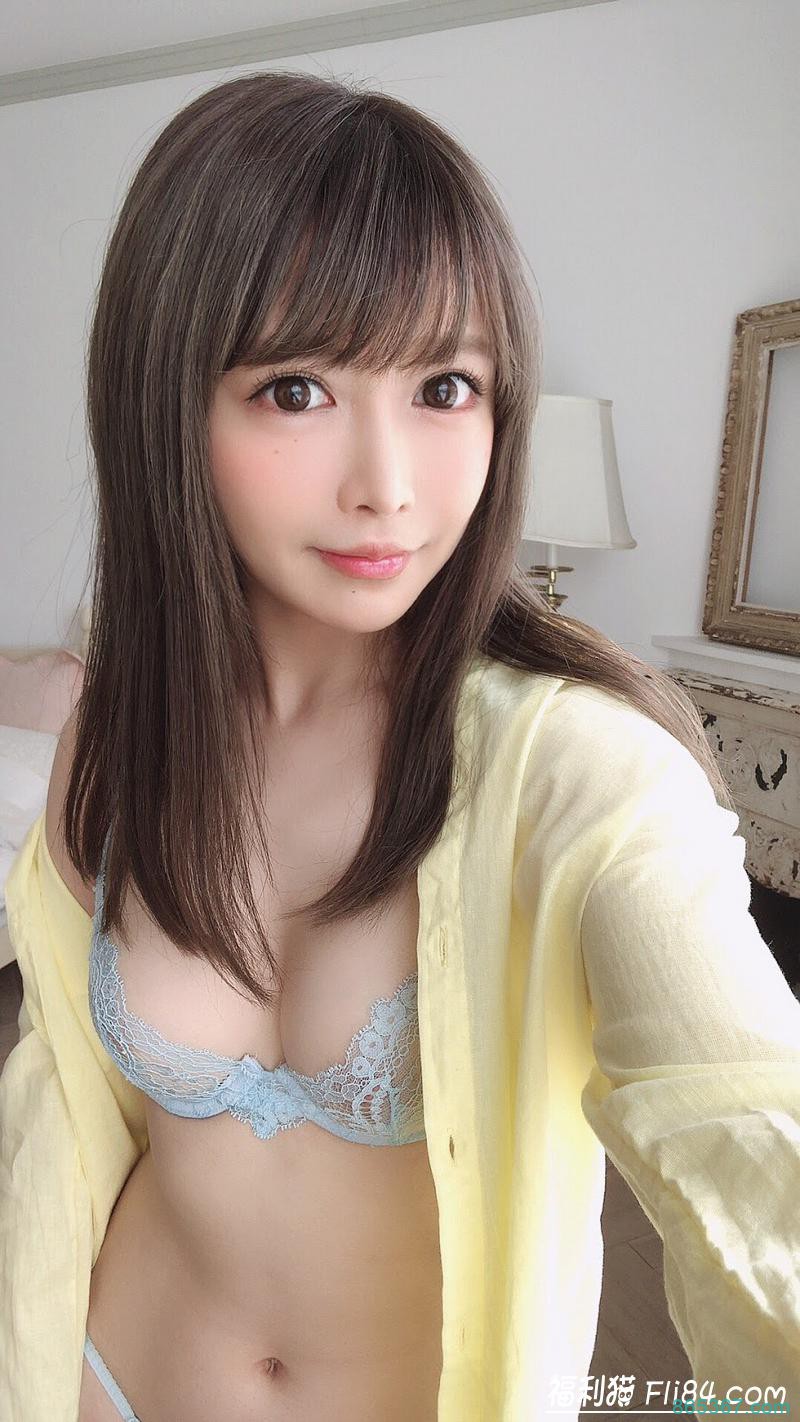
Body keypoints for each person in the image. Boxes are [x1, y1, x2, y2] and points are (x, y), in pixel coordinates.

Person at [1, 68, 799, 1422]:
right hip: (101, 1378)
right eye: (296, 389)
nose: (389, 484)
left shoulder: (580, 774)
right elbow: (68, 1117)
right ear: (165, 402)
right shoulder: (120, 743)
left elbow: (756, 1143)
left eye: (444, 385)